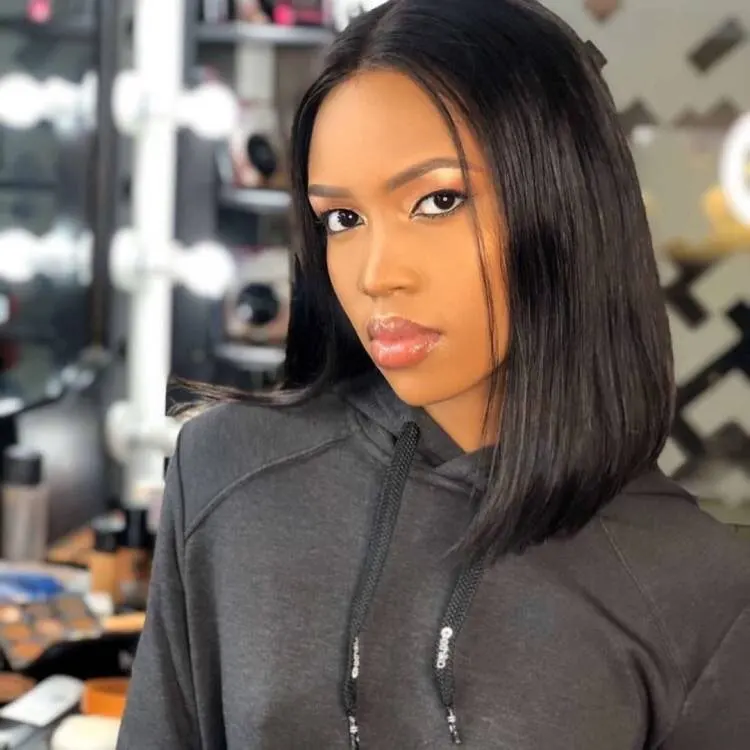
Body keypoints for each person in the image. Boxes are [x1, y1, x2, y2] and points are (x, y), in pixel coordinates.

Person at [117, 1, 750, 748]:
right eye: (342, 219)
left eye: (438, 201)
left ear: (565, 204)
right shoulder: (229, 473)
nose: (377, 274)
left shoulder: (698, 587)